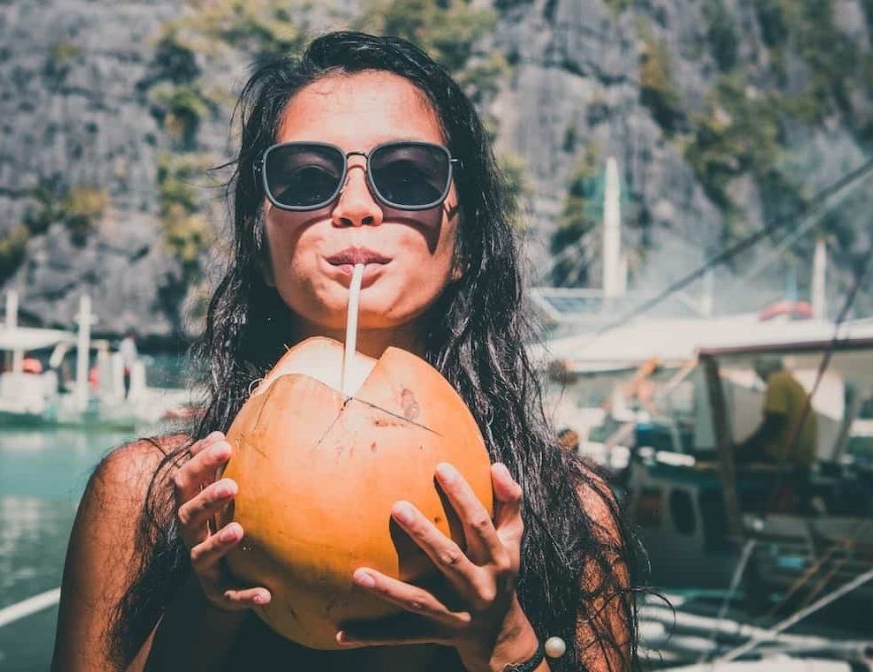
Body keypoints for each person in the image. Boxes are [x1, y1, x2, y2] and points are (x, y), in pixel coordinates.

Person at [52, 32, 643, 671]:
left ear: (464, 240)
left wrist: (504, 643)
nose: (356, 207)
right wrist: (211, 604)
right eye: (306, 178)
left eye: (407, 175)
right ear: (260, 238)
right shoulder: (147, 492)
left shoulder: (573, 513)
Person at [735, 356, 818, 510]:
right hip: (803, 456)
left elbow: (774, 422)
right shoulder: (791, 380)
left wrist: (747, 447)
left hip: (787, 454)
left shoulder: (776, 381)